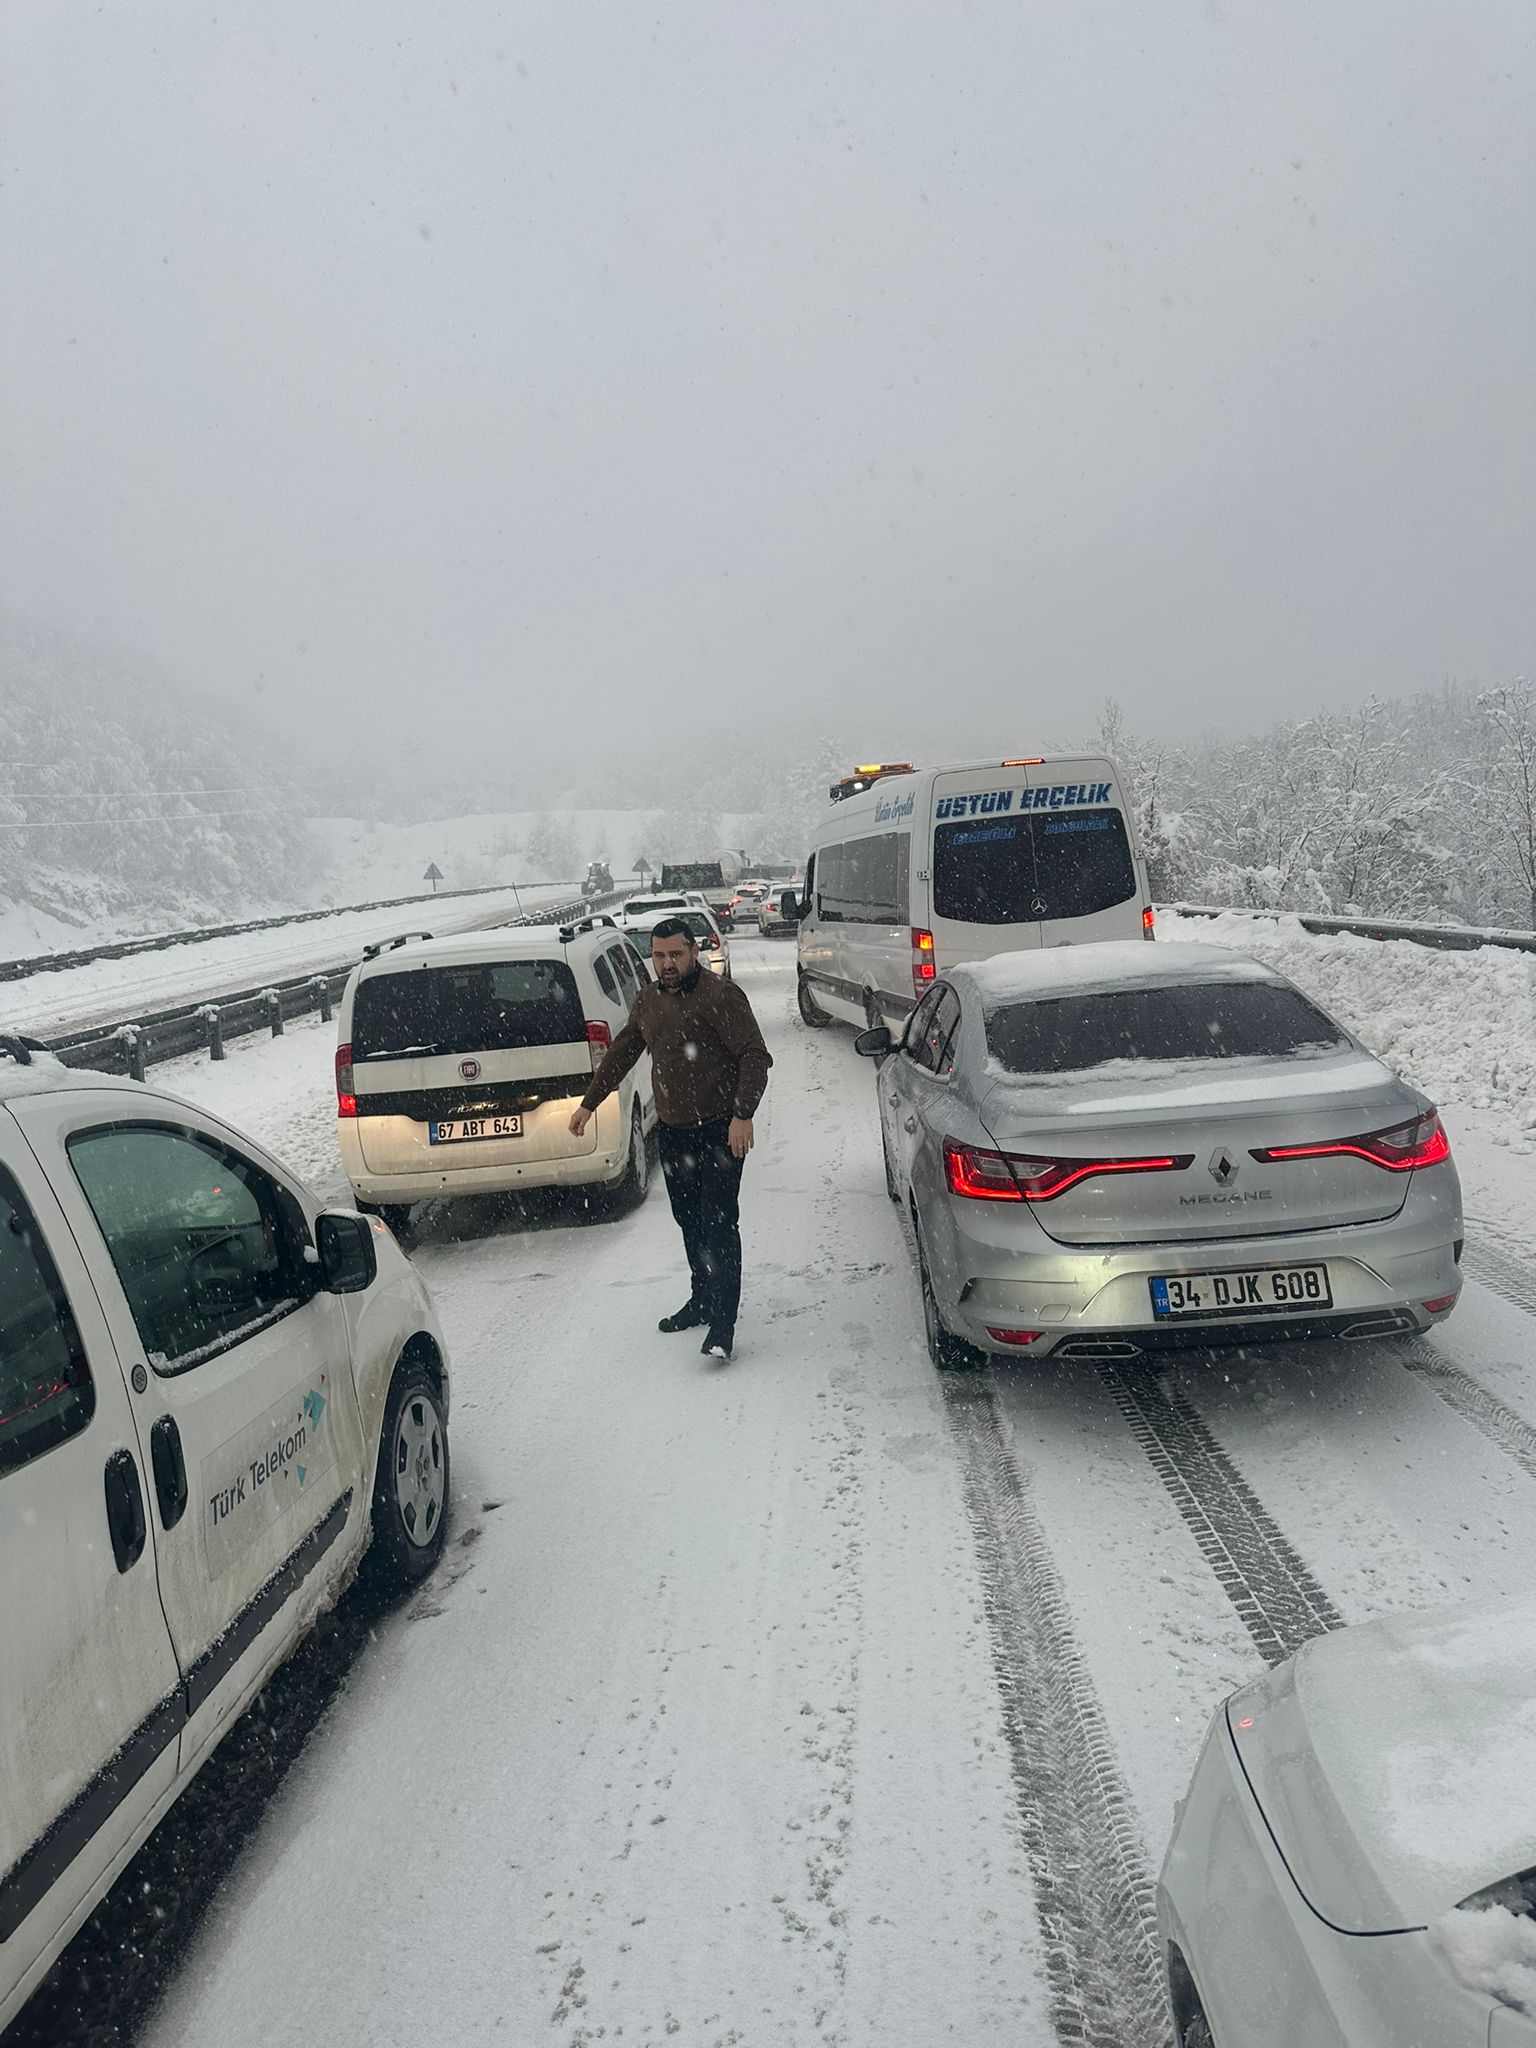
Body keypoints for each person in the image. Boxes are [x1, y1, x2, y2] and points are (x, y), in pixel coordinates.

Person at [569, 917, 770, 1360]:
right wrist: (589, 1103)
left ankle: (723, 1323)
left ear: (694, 951)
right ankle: (702, 1299)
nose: (667, 963)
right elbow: (623, 1051)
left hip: (721, 1130)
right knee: (689, 1220)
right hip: (674, 1132)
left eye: (675, 954)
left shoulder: (721, 996)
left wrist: (743, 1114)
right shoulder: (649, 1001)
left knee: (718, 1223)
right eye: (659, 955)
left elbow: (755, 1056)